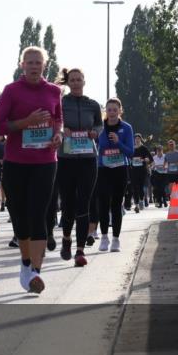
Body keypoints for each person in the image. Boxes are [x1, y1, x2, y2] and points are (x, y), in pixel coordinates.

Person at [0, 46, 63, 294]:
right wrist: (26, 123)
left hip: (45, 161)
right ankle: (25, 261)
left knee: (39, 214)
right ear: (22, 65)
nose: (34, 66)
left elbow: (58, 119)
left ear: (45, 65)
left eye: (38, 62)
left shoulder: (54, 91)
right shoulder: (11, 91)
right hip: (16, 162)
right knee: (20, 216)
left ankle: (36, 271)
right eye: (29, 62)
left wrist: (58, 135)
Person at [54, 68, 101, 266]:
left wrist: (95, 133)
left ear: (84, 81)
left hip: (88, 159)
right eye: (72, 80)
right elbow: (54, 122)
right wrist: (63, 129)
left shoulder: (93, 105)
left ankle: (80, 251)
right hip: (66, 159)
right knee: (68, 204)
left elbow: (99, 125)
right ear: (68, 82)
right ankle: (66, 239)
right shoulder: (61, 103)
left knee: (84, 203)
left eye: (78, 79)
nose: (75, 83)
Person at [96, 99, 135, 252]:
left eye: (114, 110)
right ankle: (104, 237)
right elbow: (95, 147)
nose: (111, 112)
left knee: (116, 205)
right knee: (103, 204)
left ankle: (116, 239)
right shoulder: (100, 127)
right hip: (103, 169)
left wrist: (118, 142)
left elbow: (130, 152)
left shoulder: (126, 128)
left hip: (120, 169)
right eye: (109, 109)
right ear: (106, 111)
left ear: (120, 111)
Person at [128, 134, 151, 211]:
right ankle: (136, 204)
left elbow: (149, 158)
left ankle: (141, 200)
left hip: (142, 170)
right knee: (134, 187)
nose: (137, 140)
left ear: (141, 139)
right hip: (133, 170)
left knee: (141, 187)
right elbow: (128, 157)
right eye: (135, 139)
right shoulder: (131, 148)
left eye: (138, 138)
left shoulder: (144, 148)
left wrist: (145, 160)